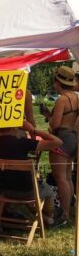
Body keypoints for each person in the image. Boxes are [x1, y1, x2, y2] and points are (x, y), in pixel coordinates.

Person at [0, 120, 63, 226]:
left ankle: (45, 218)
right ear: (14, 128)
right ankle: (50, 217)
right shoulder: (22, 143)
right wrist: (32, 130)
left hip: (4, 191)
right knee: (49, 192)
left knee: (29, 190)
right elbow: (58, 142)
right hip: (28, 191)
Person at [42, 64, 79, 223]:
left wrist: (49, 117)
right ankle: (68, 210)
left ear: (58, 82)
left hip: (61, 138)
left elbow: (55, 125)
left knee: (61, 178)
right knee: (68, 178)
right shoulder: (75, 97)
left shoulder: (62, 100)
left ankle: (63, 214)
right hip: (73, 137)